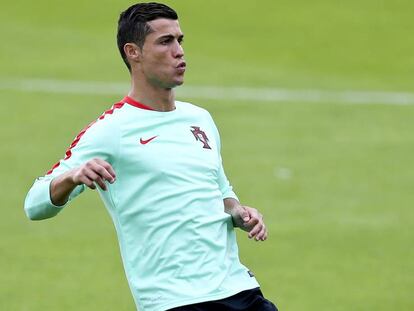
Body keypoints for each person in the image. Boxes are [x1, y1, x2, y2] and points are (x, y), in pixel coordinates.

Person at [24, 2, 278, 311]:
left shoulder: (200, 119)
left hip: (239, 288)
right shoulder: (111, 130)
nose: (179, 51)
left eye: (179, 40)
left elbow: (222, 191)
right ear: (133, 52)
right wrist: (72, 176)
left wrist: (239, 213)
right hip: (175, 301)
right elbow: (34, 204)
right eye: (165, 41)